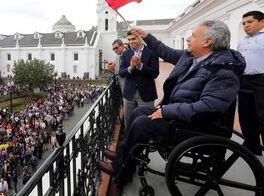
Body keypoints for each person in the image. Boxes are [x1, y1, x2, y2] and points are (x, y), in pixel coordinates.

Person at [97, 20, 246, 181]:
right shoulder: (193, 57)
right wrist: (146, 36)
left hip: (196, 125)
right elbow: (165, 51)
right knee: (139, 112)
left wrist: (166, 111)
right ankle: (123, 154)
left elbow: (208, 107)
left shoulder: (223, 71)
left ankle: (121, 167)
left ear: (208, 42)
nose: (188, 39)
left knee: (142, 123)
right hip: (181, 115)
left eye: (193, 36)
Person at [237, 10, 264, 155]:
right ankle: (252, 146)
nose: (246, 25)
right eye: (243, 23)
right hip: (244, 80)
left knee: (263, 116)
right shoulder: (243, 41)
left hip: (261, 81)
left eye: (249, 22)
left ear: (262, 22)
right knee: (245, 114)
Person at [119, 31, 159, 127]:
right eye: (129, 39)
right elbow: (121, 73)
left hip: (146, 93)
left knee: (146, 119)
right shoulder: (125, 54)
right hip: (129, 93)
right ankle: (129, 140)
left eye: (133, 39)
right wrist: (131, 67)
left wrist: (141, 65)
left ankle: (145, 141)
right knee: (128, 119)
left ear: (140, 39)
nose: (131, 42)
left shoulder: (151, 52)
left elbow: (155, 73)